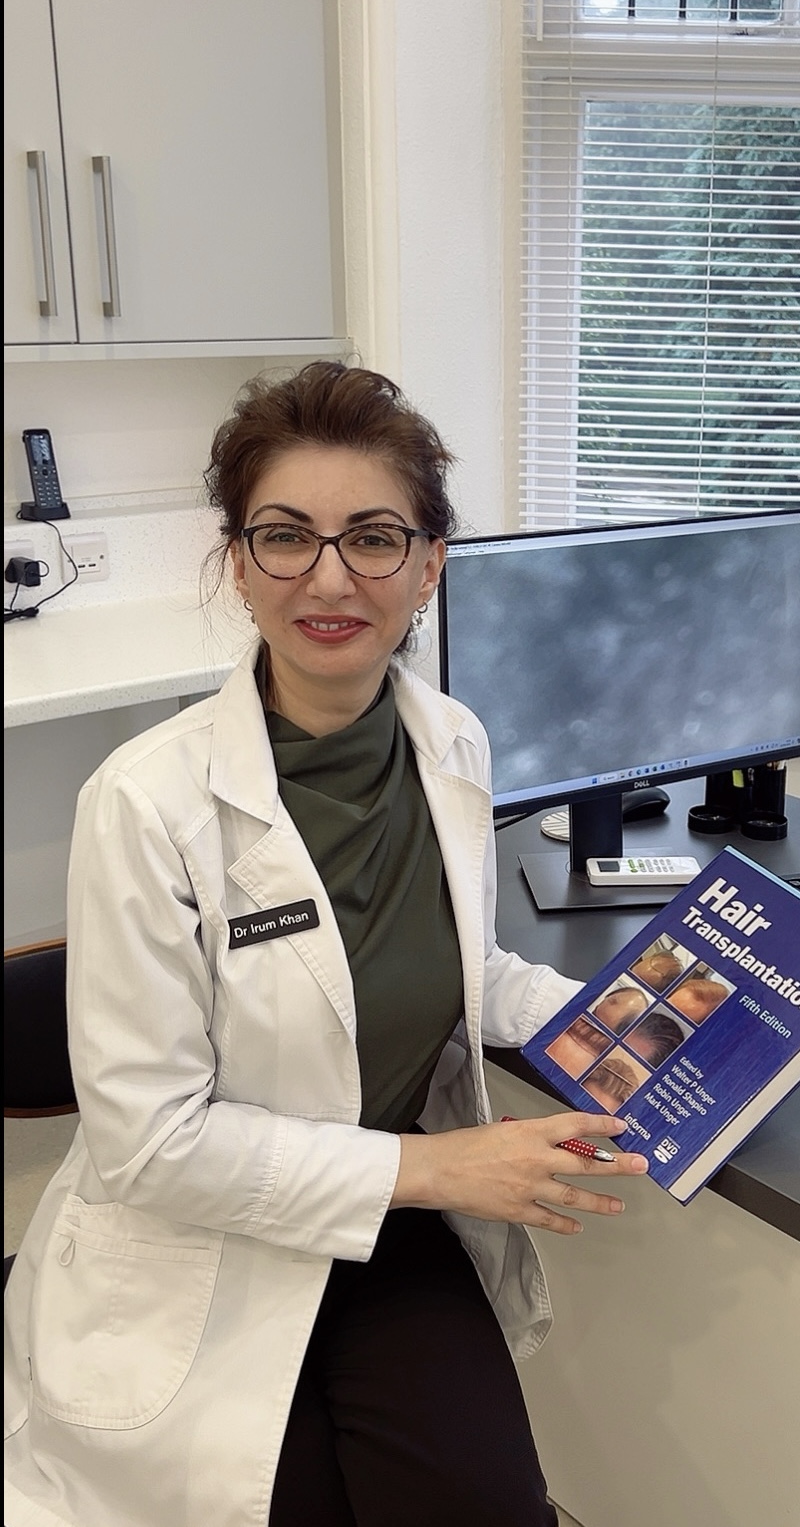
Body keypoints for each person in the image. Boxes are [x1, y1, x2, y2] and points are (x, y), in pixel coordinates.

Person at [3, 361, 649, 1527]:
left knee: (483, 1505)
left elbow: (460, 967)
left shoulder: (451, 740)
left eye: (375, 536)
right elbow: (150, 1145)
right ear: (237, 563)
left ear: (431, 564)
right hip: (197, 1249)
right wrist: (446, 1169)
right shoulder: (145, 803)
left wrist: (622, 1024)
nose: (331, 577)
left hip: (381, 1233)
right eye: (287, 537)